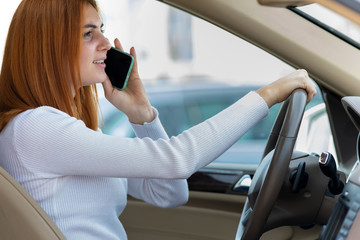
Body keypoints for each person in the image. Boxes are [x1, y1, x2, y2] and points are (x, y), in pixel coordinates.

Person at [0, 0, 317, 239]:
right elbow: (178, 159)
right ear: (48, 47)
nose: (106, 43)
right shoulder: (35, 128)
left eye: (102, 30)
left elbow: (170, 193)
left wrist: (143, 116)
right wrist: (269, 94)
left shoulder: (66, 130)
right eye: (87, 33)